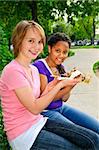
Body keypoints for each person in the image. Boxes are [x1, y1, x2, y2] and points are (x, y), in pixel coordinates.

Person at [0, 21, 99, 150]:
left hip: (39, 122)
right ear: (19, 40)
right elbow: (35, 108)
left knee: (93, 139)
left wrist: (57, 83)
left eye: (40, 41)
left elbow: (42, 95)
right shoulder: (13, 71)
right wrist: (60, 85)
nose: (36, 46)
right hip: (24, 135)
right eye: (31, 41)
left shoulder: (32, 69)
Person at [33, 32, 99, 134]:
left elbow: (64, 98)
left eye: (65, 52)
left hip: (61, 107)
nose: (61, 55)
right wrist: (69, 84)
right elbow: (46, 99)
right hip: (47, 112)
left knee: (96, 126)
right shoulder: (39, 66)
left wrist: (72, 82)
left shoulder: (61, 68)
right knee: (85, 135)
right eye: (57, 51)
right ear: (50, 49)